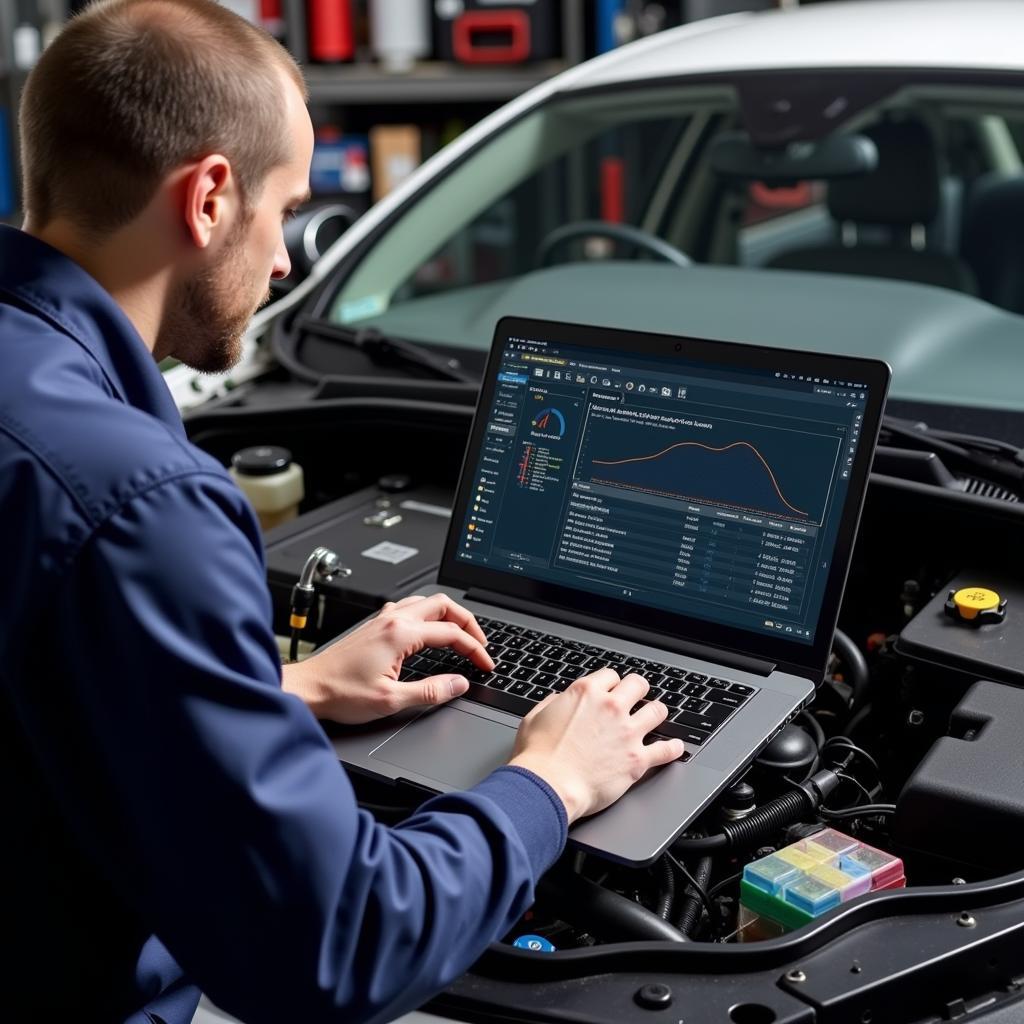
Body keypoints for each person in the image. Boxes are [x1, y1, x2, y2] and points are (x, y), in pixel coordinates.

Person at [0, 1, 684, 1021]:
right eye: (287, 208)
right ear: (210, 197)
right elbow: (339, 946)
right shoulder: (144, 507)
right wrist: (550, 782)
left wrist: (282, 685)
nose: (283, 263)